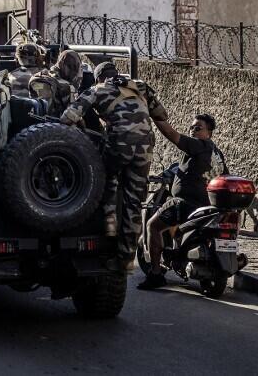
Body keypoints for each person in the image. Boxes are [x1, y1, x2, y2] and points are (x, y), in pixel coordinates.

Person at [60, 61, 168, 270]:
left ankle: (109, 224)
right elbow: (162, 114)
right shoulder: (140, 86)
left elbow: (67, 118)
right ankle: (126, 259)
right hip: (145, 147)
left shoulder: (97, 89)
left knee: (107, 175)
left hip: (119, 143)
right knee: (134, 202)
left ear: (100, 78)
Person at [138, 112, 221, 290]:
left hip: (185, 203)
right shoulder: (215, 153)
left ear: (209, 132)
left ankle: (155, 274)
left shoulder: (199, 145)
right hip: (207, 206)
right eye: (191, 127)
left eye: (198, 128)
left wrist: (155, 116)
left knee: (153, 226)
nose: (193, 130)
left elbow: (172, 135)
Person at [28, 49, 82, 116]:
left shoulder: (39, 76)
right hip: (54, 124)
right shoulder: (67, 86)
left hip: (33, 121)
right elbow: (71, 116)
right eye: (72, 67)